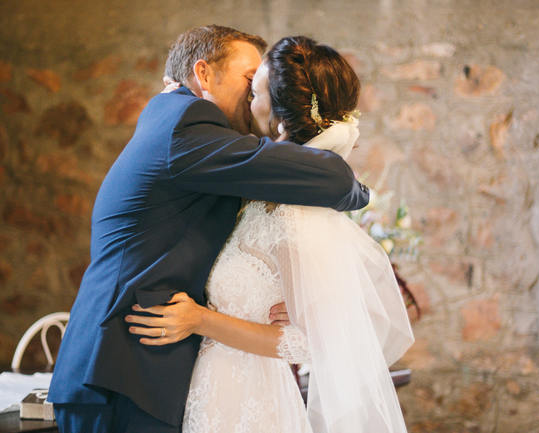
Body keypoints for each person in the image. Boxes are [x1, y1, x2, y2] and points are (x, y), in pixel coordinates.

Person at [47, 26, 369, 433]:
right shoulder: (188, 123)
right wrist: (359, 192)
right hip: (122, 374)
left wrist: (291, 292)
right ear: (203, 74)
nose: (254, 97)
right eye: (249, 81)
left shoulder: (180, 125)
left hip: (146, 375)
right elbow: (335, 180)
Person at [126, 36, 414, 433]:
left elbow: (306, 342)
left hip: (252, 401)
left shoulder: (297, 215)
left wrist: (199, 320)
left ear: (278, 116)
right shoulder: (260, 193)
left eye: (255, 91)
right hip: (210, 391)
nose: (247, 100)